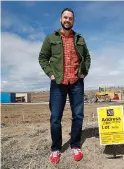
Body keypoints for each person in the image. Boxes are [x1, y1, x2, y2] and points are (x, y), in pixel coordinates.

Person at [38, 8, 91, 164]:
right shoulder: (50, 38)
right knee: (55, 118)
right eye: (65, 17)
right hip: (58, 83)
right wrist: (50, 74)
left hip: (76, 83)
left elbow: (87, 57)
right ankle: (56, 149)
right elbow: (42, 58)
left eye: (70, 18)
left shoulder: (80, 38)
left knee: (78, 116)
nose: (67, 20)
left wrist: (84, 72)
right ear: (61, 19)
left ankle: (75, 145)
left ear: (73, 21)